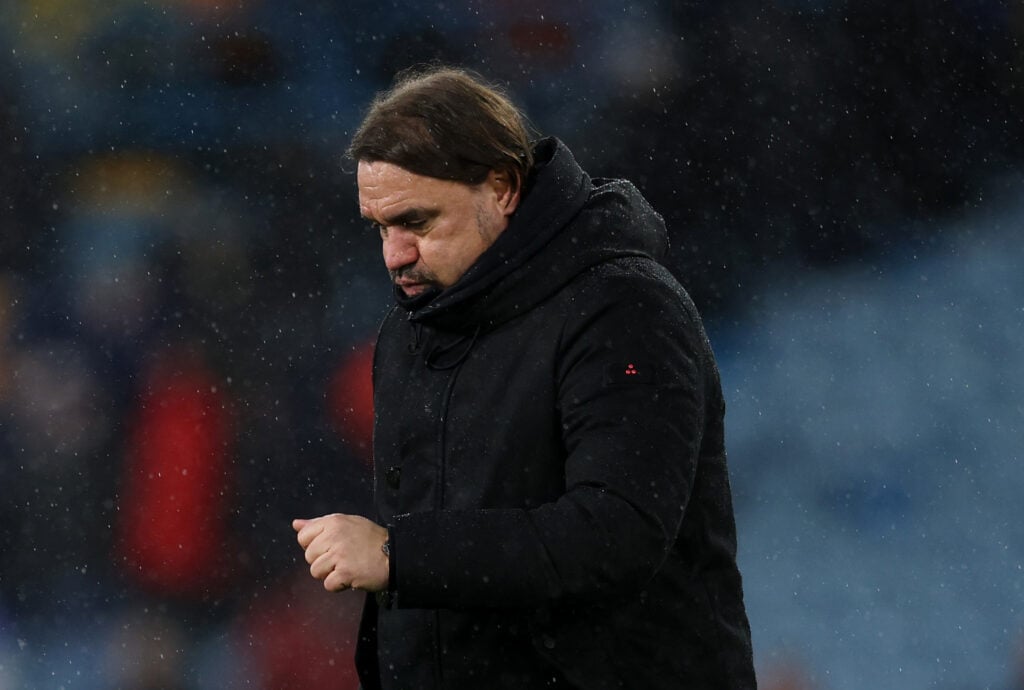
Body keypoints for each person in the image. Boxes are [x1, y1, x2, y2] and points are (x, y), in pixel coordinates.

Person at [292, 65, 757, 689]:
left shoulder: (624, 310)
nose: (393, 255)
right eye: (380, 227)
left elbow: (615, 532)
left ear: (503, 187)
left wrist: (396, 555)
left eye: (418, 222)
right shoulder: (409, 332)